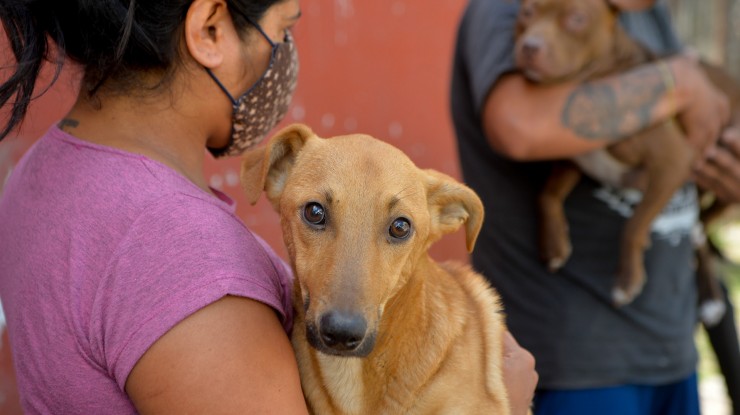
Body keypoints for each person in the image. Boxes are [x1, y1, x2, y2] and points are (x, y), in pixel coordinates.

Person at [0, 0, 538, 413]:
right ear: (210, 28)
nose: (284, 56)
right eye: (283, 29)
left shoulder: (42, 171)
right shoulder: (181, 256)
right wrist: (504, 399)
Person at [450, 0, 739, 414]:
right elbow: (519, 126)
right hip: (572, 357)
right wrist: (679, 80)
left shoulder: (645, 13)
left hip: (670, 343)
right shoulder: (504, 8)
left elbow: (687, 141)